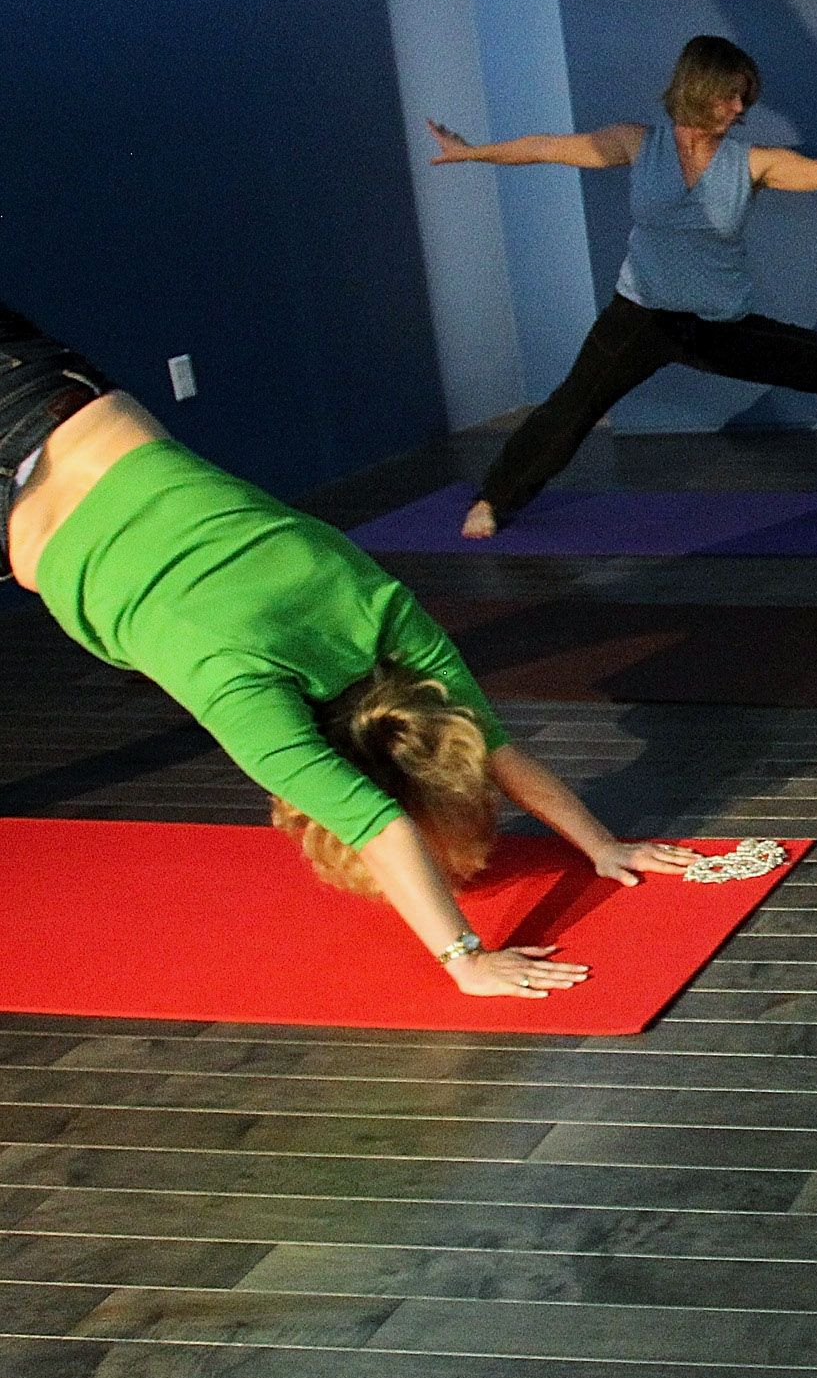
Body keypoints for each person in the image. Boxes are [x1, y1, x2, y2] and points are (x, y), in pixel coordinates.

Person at [3, 303, 702, 998]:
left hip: (59, 406)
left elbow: (496, 751)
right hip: (25, 516)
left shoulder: (379, 613)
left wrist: (601, 843)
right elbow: (375, 821)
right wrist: (465, 959)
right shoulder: (240, 694)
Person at [427, 33, 817, 539]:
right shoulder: (635, 143)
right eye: (730, 94)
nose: (740, 107)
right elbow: (547, 147)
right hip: (641, 317)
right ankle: (494, 499)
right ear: (698, 87)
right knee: (567, 412)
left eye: (745, 96)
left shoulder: (753, 163)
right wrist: (472, 152)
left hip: (721, 325)